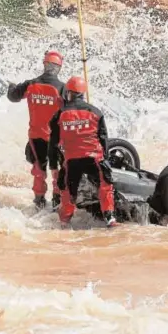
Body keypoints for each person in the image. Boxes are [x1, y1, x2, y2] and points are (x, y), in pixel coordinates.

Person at [48, 75, 118, 228]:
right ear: (83, 94)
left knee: (67, 191)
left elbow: (53, 144)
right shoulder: (96, 112)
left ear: (69, 93)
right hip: (94, 159)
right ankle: (110, 218)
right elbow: (103, 139)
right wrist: (105, 160)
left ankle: (64, 222)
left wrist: (54, 165)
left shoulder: (59, 114)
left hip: (72, 161)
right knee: (106, 185)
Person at [7, 50, 65, 209]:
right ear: (59, 68)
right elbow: (73, 110)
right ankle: (56, 201)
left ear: (44, 65)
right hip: (56, 138)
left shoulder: (30, 84)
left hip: (36, 136)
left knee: (39, 170)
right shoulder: (63, 89)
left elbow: (13, 97)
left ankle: (39, 202)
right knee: (56, 170)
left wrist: (12, 85)